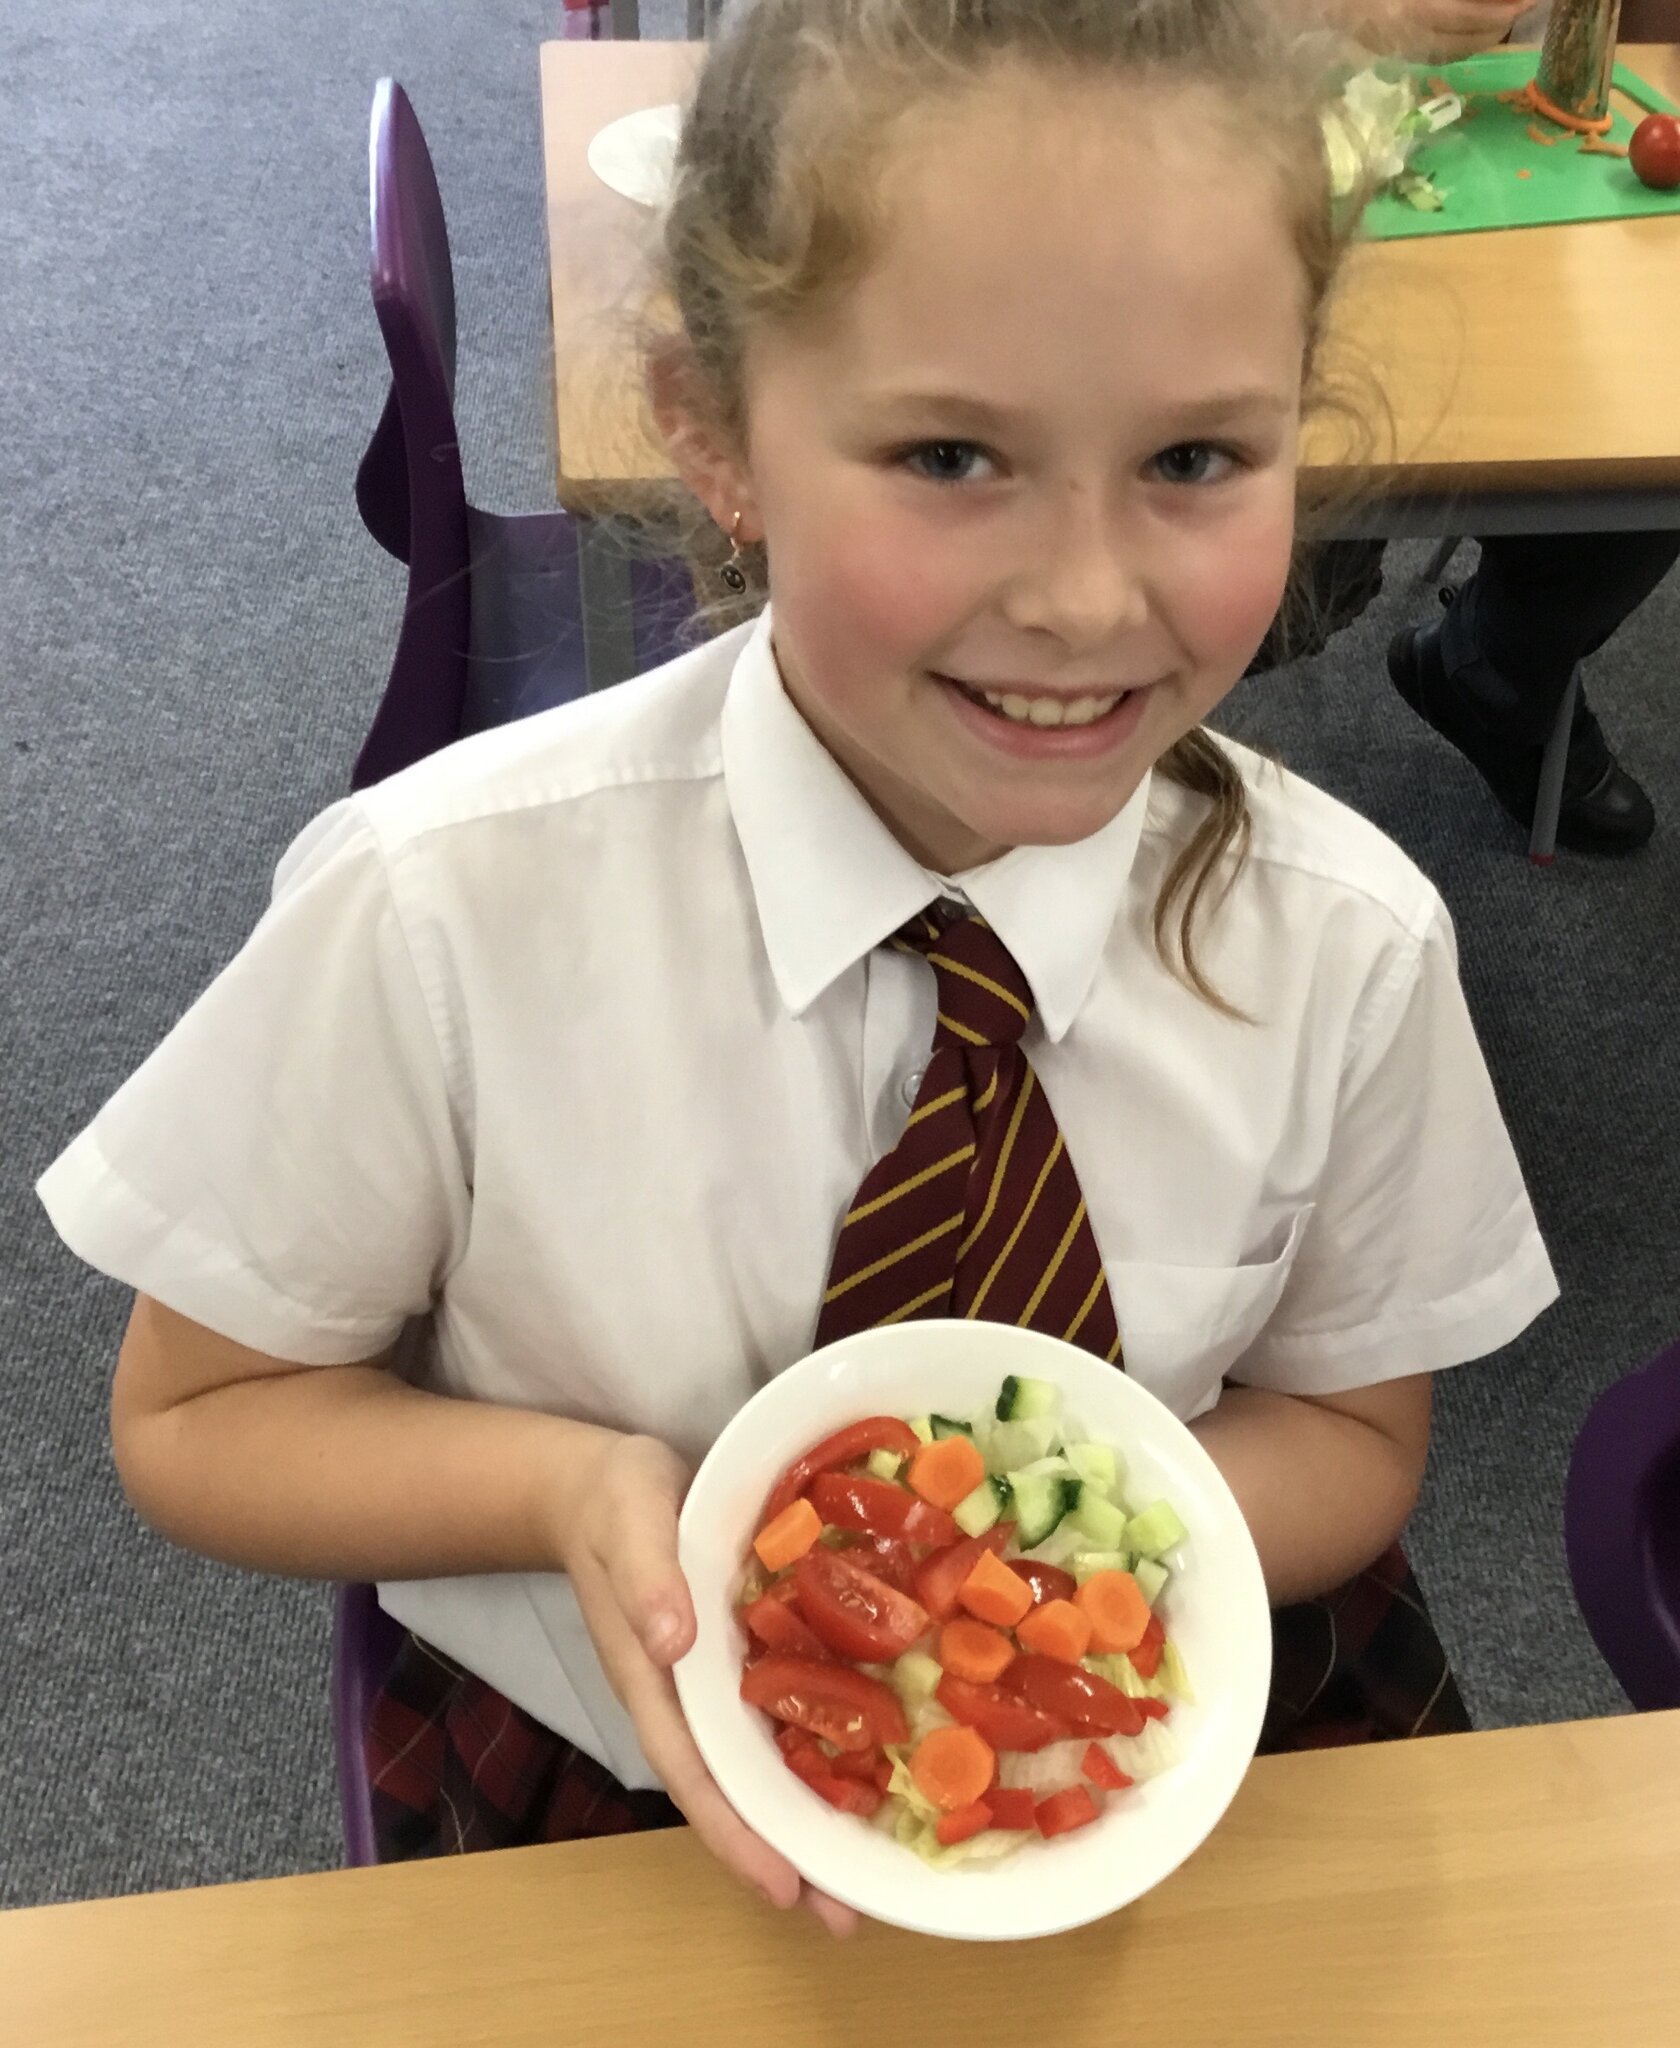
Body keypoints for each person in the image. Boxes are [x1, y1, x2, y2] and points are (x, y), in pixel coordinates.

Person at [37, 0, 1559, 1938]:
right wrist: (560, 1488)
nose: (1087, 596)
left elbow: (1353, 1434)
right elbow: (194, 1414)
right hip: (609, 1761)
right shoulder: (439, 913)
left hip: (1155, 1735)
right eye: (950, 454)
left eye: (1194, 456)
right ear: (708, 424)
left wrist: (1039, 1599)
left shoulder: (1347, 943)